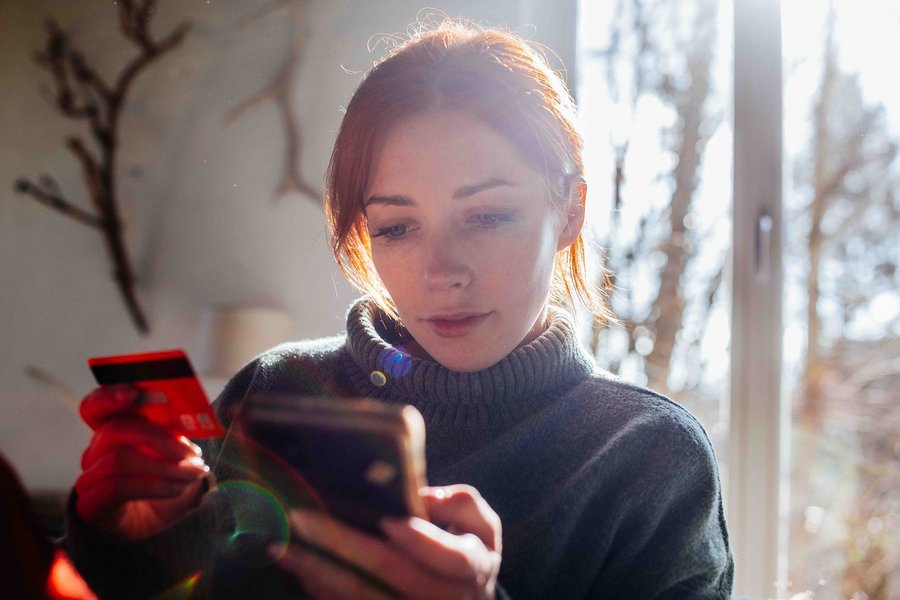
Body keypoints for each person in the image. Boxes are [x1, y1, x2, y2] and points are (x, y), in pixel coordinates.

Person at [65, 18, 734, 600]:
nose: (441, 272)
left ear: (570, 211)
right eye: (396, 227)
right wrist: (127, 549)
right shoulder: (269, 391)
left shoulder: (650, 456)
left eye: (488, 216)